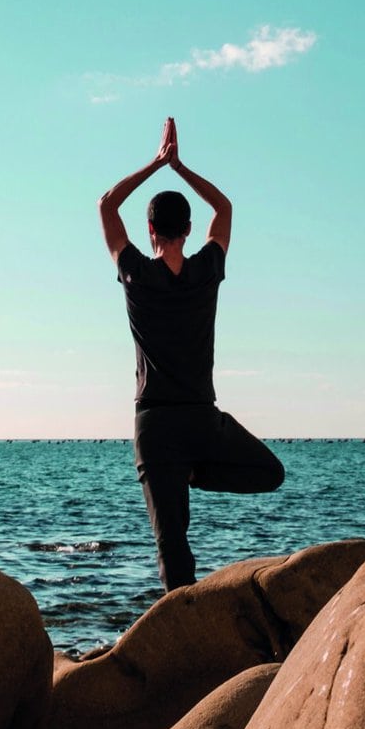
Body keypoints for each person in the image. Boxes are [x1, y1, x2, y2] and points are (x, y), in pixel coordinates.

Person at [98, 117, 284, 591]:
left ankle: (190, 474)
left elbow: (106, 204)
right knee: (269, 472)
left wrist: (156, 164)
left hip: (157, 427)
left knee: (171, 545)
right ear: (188, 228)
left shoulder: (136, 273)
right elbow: (224, 205)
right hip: (202, 420)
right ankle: (196, 471)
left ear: (150, 229)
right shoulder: (207, 269)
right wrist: (179, 167)